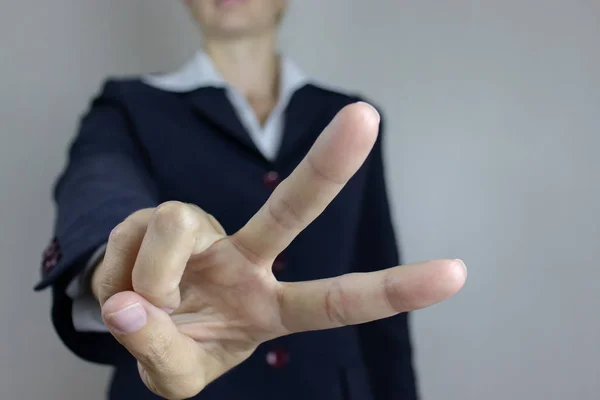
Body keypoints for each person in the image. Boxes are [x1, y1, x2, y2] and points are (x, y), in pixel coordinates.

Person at [35, 0, 466, 399]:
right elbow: (96, 187)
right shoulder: (128, 106)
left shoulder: (348, 115)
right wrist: (124, 254)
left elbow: (377, 282)